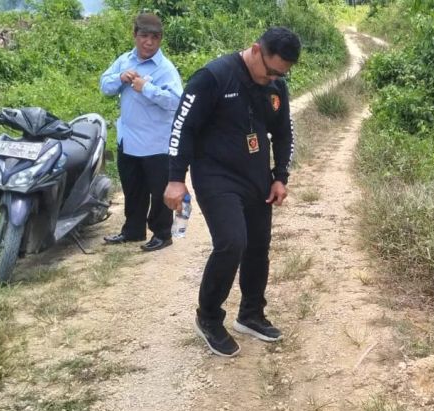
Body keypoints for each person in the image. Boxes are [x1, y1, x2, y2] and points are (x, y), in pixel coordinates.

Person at [163, 27, 300, 357]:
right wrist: (175, 178)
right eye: (270, 71)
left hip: (257, 178)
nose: (273, 79)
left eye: (281, 74)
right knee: (231, 242)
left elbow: (283, 134)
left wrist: (280, 176)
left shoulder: (275, 86)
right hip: (216, 176)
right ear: (255, 50)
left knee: (257, 247)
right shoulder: (213, 78)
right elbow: (183, 128)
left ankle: (251, 314)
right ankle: (208, 317)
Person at [100, 12, 182, 252]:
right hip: (128, 139)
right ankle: (133, 230)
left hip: (156, 142)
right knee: (133, 188)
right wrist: (119, 77)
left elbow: (176, 102)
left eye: (155, 38)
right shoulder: (124, 61)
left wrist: (147, 88)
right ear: (135, 35)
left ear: (160, 40)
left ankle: (162, 234)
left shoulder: (165, 69)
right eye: (144, 36)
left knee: (159, 192)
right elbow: (105, 86)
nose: (149, 42)